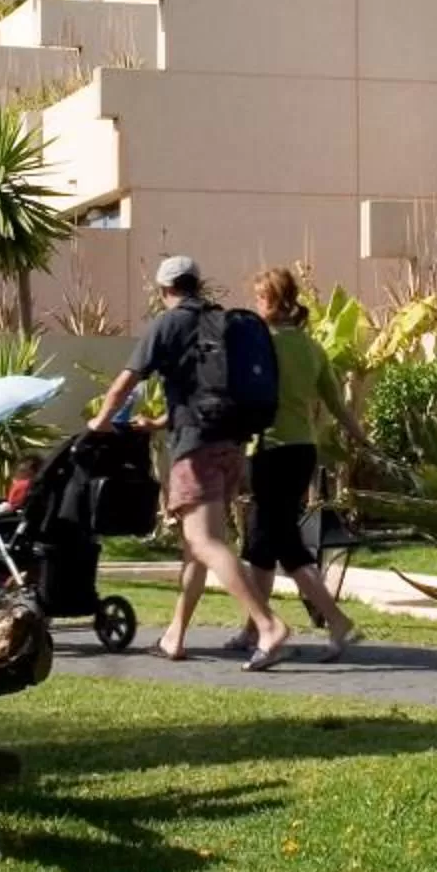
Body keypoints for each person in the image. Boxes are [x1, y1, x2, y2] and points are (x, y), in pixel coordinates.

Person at [89, 255, 290, 670]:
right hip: (231, 444)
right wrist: (160, 422)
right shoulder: (221, 321)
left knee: (204, 543)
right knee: (196, 548)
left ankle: (267, 625)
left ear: (165, 290)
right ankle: (174, 635)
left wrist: (100, 422)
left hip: (195, 449)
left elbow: (127, 381)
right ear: (198, 285)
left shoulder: (168, 323)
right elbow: (207, 389)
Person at [229, 268, 359, 658]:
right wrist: (360, 436)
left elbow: (242, 398)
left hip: (271, 452)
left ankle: (337, 620)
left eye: (258, 298)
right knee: (260, 543)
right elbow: (337, 404)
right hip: (303, 451)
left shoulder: (262, 345)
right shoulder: (311, 348)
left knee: (283, 543)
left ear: (270, 301)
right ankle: (253, 628)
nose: (256, 305)